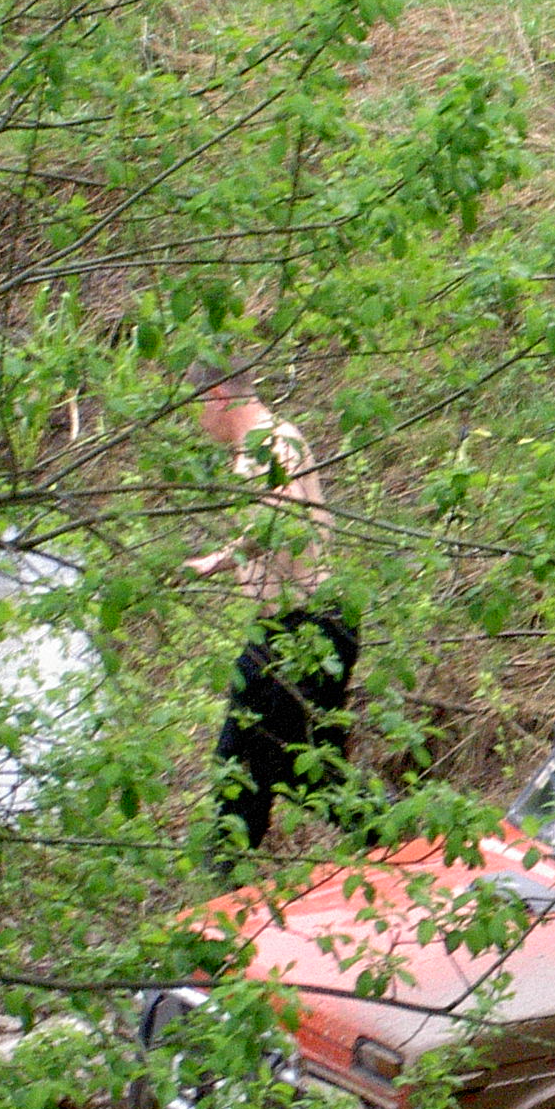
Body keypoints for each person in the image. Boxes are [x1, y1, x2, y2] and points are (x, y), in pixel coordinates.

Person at [184, 363, 361, 865]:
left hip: (299, 634)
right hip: (308, 628)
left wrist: (219, 560)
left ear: (218, 395)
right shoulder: (278, 435)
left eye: (196, 406)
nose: (197, 421)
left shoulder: (265, 448)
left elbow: (280, 524)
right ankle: (396, 834)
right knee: (301, 770)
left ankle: (220, 883)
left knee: (241, 767)